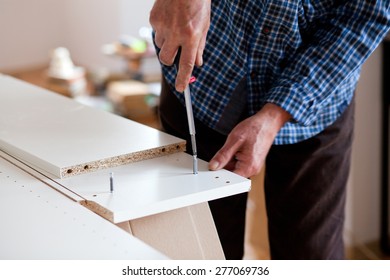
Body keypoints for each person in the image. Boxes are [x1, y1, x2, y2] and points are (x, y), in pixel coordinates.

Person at [149, 0, 390, 259]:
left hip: (317, 95)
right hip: (206, 78)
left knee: (310, 259)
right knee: (200, 253)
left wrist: (276, 113)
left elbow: (365, 16)